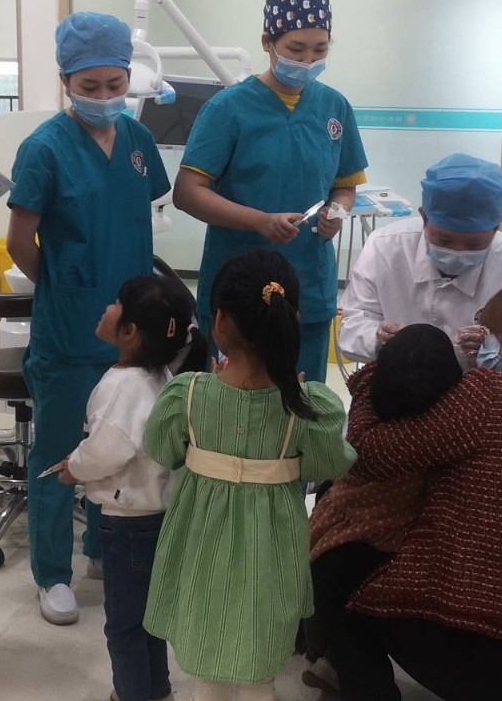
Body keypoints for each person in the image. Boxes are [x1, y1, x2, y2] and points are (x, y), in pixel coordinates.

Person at [318, 277, 502, 701]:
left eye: (496, 335)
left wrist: (375, 374)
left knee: (334, 570)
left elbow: (370, 453)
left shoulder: (490, 394)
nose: (492, 345)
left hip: (482, 649)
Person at [7, 11, 172, 626]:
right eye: (89, 86)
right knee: (59, 453)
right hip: (69, 329)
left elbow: (135, 216)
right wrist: (65, 287)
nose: (104, 96)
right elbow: (21, 241)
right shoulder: (44, 148)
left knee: (123, 442)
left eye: (114, 85)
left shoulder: (137, 141)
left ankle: (104, 547)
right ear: (66, 82)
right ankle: (52, 573)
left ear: (129, 78)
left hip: (130, 327)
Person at [143, 249, 356, 701]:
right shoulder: (309, 406)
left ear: (219, 321)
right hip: (272, 548)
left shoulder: (187, 393)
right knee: (260, 661)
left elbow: (162, 450)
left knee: (207, 659)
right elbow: (329, 465)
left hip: (200, 542)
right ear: (293, 318)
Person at [173, 0, 368, 384]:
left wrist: (338, 210)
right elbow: (188, 193)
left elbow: (344, 185)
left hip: (307, 285)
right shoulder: (227, 109)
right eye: (296, 49)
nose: (308, 60)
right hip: (240, 283)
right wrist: (260, 221)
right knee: (231, 403)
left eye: (320, 50)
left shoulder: (334, 107)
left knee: (301, 400)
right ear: (268, 42)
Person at [53, 274, 209, 701]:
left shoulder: (120, 385)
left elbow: (107, 450)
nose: (107, 309)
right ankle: (156, 690)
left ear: (130, 332)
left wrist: (74, 468)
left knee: (123, 625)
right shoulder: (160, 376)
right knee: (149, 618)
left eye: (116, 304)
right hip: (159, 516)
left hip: (127, 524)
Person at [300, 324, 464, 694]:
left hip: (337, 543)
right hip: (400, 551)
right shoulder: (446, 427)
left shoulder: (367, 415)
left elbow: (363, 394)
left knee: (332, 605)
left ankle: (329, 658)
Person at [340, 153, 502, 367]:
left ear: (495, 229)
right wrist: (378, 339)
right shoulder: (385, 247)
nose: (457, 252)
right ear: (424, 217)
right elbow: (353, 326)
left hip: (479, 385)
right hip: (398, 380)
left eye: (474, 245)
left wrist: (494, 350)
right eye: (444, 240)